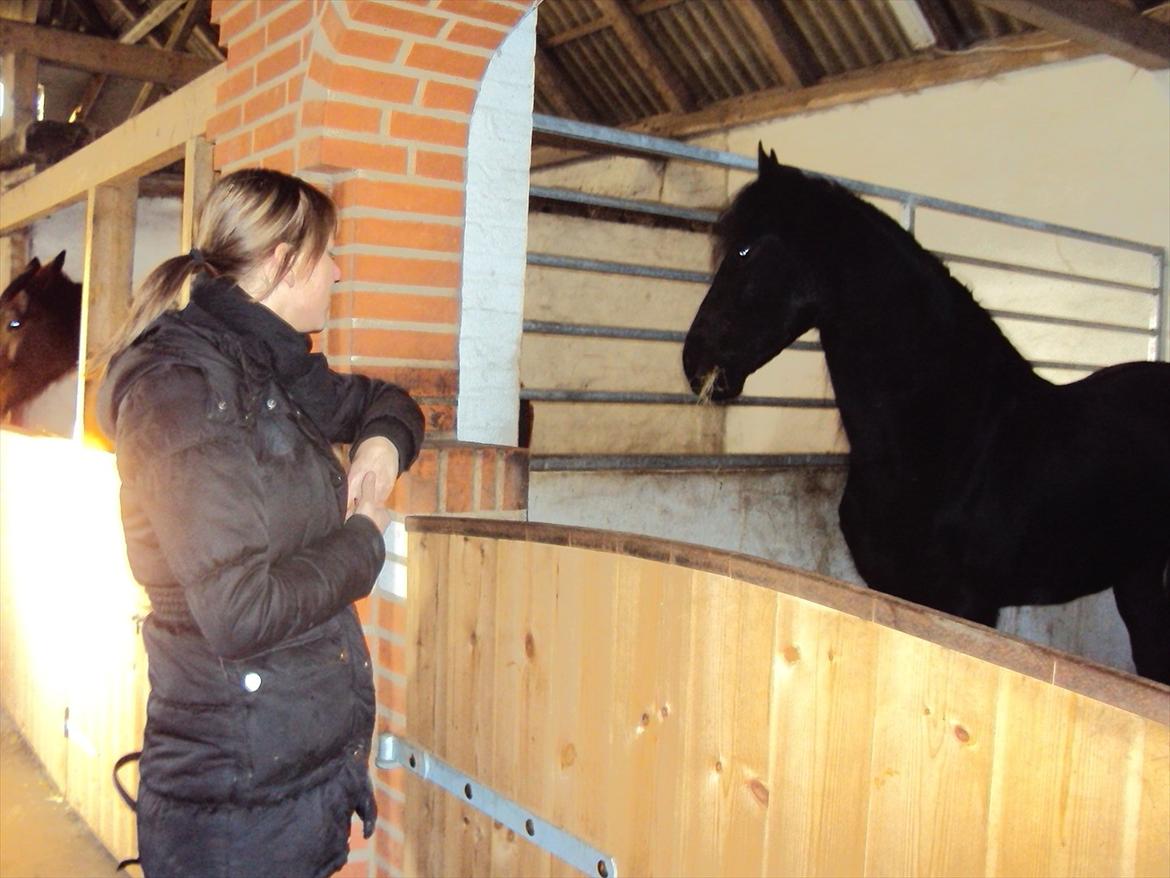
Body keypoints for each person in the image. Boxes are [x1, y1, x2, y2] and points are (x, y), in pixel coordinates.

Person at [95, 168, 425, 877]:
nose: (337, 272)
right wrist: (363, 538)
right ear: (281, 261)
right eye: (327, 254)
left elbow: (387, 400)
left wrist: (379, 446)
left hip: (282, 781)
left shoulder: (269, 364)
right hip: (232, 805)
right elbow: (239, 611)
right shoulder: (177, 391)